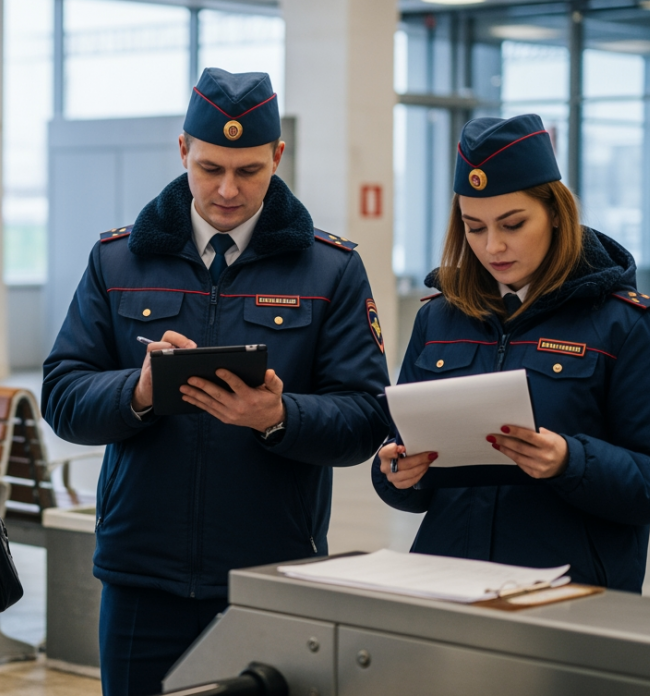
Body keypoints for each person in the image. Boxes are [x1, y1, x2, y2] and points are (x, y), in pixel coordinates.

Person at [43, 68, 392, 696]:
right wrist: (139, 393)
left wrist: (279, 418)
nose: (228, 190)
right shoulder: (117, 260)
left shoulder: (330, 270)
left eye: (249, 170)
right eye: (210, 168)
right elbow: (63, 395)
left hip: (271, 574)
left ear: (277, 157)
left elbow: (367, 417)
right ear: (183, 150)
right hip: (141, 574)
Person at [373, 114, 650, 592]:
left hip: (568, 595)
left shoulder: (626, 324)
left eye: (513, 224)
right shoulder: (438, 318)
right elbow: (402, 454)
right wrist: (397, 473)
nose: (493, 246)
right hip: (448, 586)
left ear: (555, 213)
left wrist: (571, 461)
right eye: (474, 228)